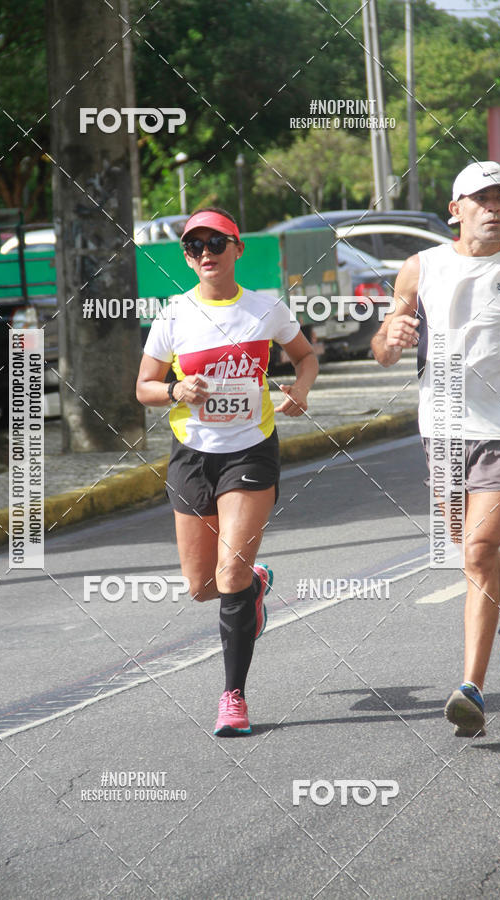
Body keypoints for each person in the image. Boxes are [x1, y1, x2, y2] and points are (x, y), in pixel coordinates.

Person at [136, 207, 318, 735]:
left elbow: (305, 357)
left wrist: (300, 390)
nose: (206, 254)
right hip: (191, 455)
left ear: (237, 248)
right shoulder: (173, 316)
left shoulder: (265, 308)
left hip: (250, 450)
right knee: (201, 585)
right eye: (195, 247)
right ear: (187, 258)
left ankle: (233, 696)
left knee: (230, 574)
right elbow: (144, 386)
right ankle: (253, 589)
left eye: (216, 243)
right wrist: (175, 390)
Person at [371, 161, 500, 737]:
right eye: (481, 199)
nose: (493, 208)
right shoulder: (419, 269)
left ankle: (470, 688)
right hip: (440, 430)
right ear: (456, 209)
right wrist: (388, 339)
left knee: (474, 553)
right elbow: (385, 350)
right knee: (476, 551)